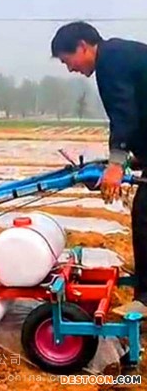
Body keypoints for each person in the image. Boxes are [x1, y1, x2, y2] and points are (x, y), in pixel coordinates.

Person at [51, 21, 147, 316]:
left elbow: (124, 113)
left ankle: (145, 301)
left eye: (69, 61)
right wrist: (135, 158)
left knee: (145, 214)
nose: (71, 70)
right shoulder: (120, 54)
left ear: (83, 46)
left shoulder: (111, 62)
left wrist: (117, 164)